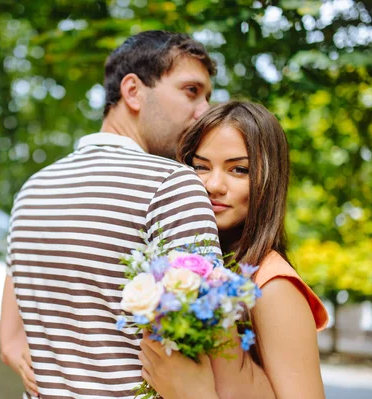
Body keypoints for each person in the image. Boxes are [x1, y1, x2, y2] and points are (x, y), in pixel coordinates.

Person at [0, 30, 224, 399]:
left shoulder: (32, 189)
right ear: (133, 91)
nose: (205, 111)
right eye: (191, 91)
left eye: (207, 97)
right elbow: (208, 346)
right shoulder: (172, 184)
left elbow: (10, 341)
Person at [139, 101, 329, 399]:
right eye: (200, 166)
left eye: (239, 170)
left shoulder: (273, 285)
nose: (213, 185)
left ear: (269, 181)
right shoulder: (186, 265)